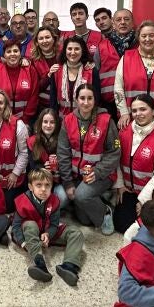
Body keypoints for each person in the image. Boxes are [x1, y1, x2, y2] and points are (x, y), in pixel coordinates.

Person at [57, 84, 120, 234]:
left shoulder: (106, 121)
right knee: (84, 219)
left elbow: (115, 152)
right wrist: (67, 182)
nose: (86, 102)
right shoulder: (68, 120)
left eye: (90, 98)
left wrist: (97, 172)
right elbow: (62, 153)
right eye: (82, 98)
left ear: (95, 100)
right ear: (76, 100)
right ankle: (96, 199)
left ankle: (106, 212)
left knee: (81, 196)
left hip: (100, 175)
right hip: (76, 176)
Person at [114, 94, 154, 234]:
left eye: (143, 109)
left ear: (153, 111)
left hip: (151, 194)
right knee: (122, 225)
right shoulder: (123, 133)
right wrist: (120, 185)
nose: (138, 114)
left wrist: (143, 200)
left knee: (148, 228)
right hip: (128, 190)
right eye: (134, 111)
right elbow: (115, 160)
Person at [12, 168, 85, 286]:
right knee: (30, 225)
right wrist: (23, 243)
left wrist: (48, 234)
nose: (43, 189)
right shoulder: (23, 201)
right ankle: (40, 264)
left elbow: (54, 224)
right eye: (39, 185)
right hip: (29, 234)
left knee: (76, 232)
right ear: (30, 187)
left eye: (47, 185)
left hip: (46, 232)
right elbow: (15, 227)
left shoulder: (55, 200)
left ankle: (69, 266)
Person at [114, 20, 154, 132]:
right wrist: (124, 112)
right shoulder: (127, 58)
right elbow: (118, 88)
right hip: (132, 122)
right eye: (144, 36)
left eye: (152, 35)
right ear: (138, 38)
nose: (148, 39)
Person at [62, 2, 120, 114]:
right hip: (72, 81)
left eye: (81, 13)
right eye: (74, 14)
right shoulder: (66, 37)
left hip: (95, 83)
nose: (77, 17)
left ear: (87, 16)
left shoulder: (100, 36)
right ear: (71, 18)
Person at [46, 36, 101, 117]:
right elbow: (53, 102)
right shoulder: (57, 71)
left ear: (82, 51)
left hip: (85, 119)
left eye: (77, 49)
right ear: (65, 51)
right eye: (70, 49)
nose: (73, 52)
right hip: (62, 120)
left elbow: (96, 99)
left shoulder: (91, 71)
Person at [0, 39, 40, 122]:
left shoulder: (30, 70)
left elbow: (34, 96)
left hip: (26, 119)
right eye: (8, 51)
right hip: (1, 118)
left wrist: (25, 119)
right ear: (4, 55)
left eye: (15, 51)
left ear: (20, 53)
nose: (12, 54)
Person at [26, 108, 67, 208]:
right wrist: (43, 168)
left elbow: (68, 165)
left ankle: (53, 211)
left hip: (58, 181)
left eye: (52, 122)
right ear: (40, 123)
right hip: (40, 181)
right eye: (45, 122)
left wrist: (59, 167)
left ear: (56, 124)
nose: (48, 125)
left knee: (63, 197)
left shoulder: (63, 140)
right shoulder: (32, 141)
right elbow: (32, 167)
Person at [29, 26, 60, 112]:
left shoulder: (63, 56)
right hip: (41, 107)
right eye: (41, 38)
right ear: (37, 42)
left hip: (61, 105)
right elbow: (35, 88)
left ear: (53, 39)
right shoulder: (33, 61)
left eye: (47, 37)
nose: (44, 41)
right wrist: (48, 75)